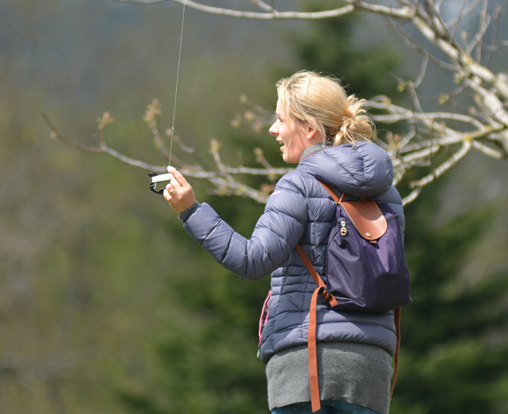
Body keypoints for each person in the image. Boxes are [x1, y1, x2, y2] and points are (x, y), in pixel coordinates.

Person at [163, 70, 404, 414]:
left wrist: (191, 211)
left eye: (280, 119)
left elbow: (252, 259)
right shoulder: (388, 194)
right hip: (371, 370)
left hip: (306, 366)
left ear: (309, 129)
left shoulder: (297, 185)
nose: (273, 130)